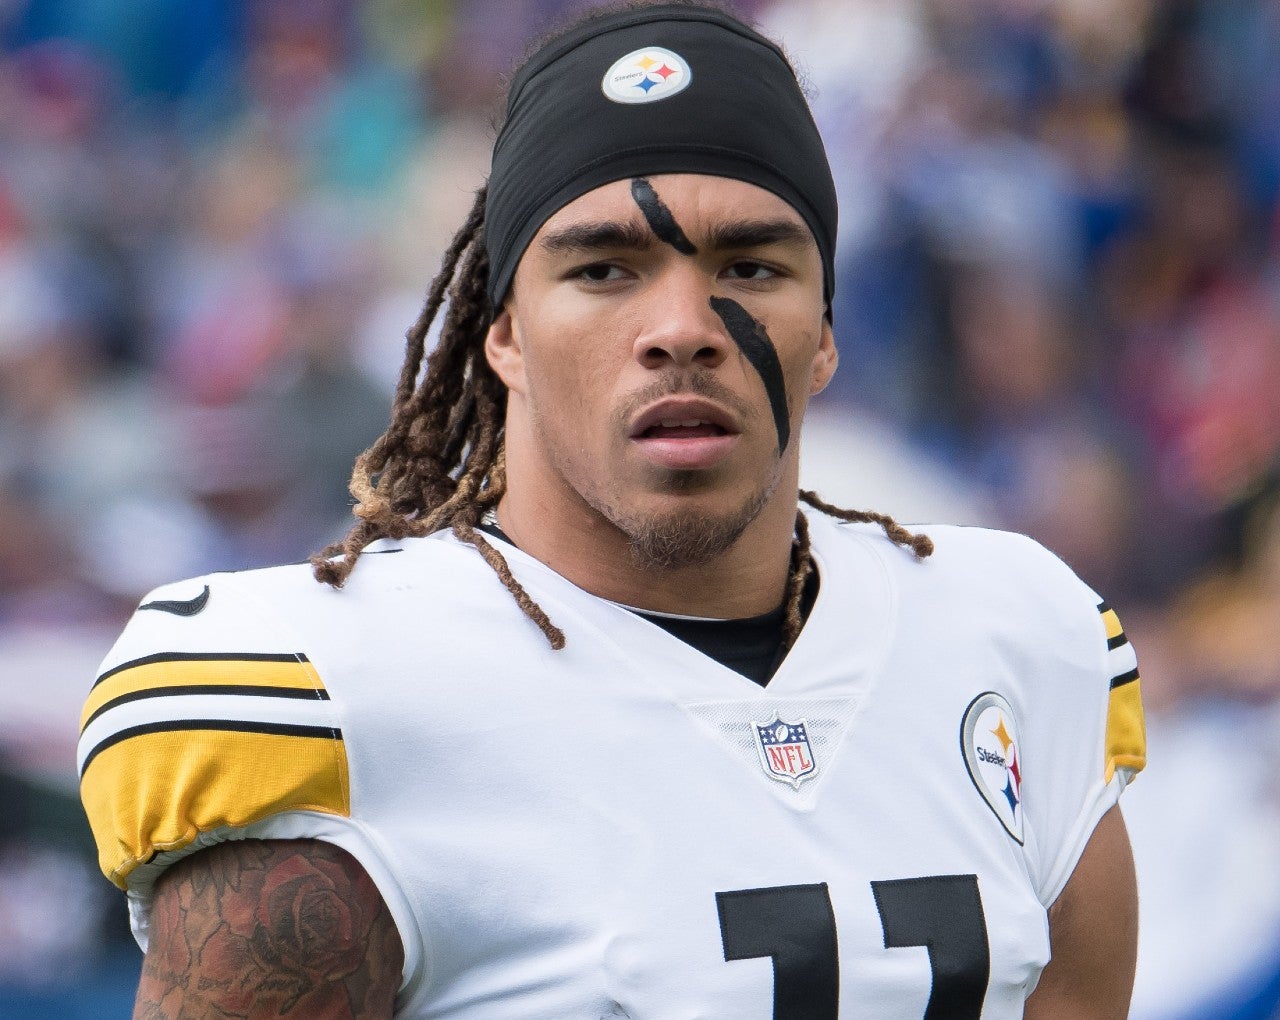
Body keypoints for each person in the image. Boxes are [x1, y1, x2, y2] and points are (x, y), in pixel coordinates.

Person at [77, 3, 1147, 1017]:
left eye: (749, 264)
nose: (681, 327)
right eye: (603, 269)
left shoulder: (1013, 632)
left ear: (824, 331)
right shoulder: (323, 687)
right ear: (500, 335)